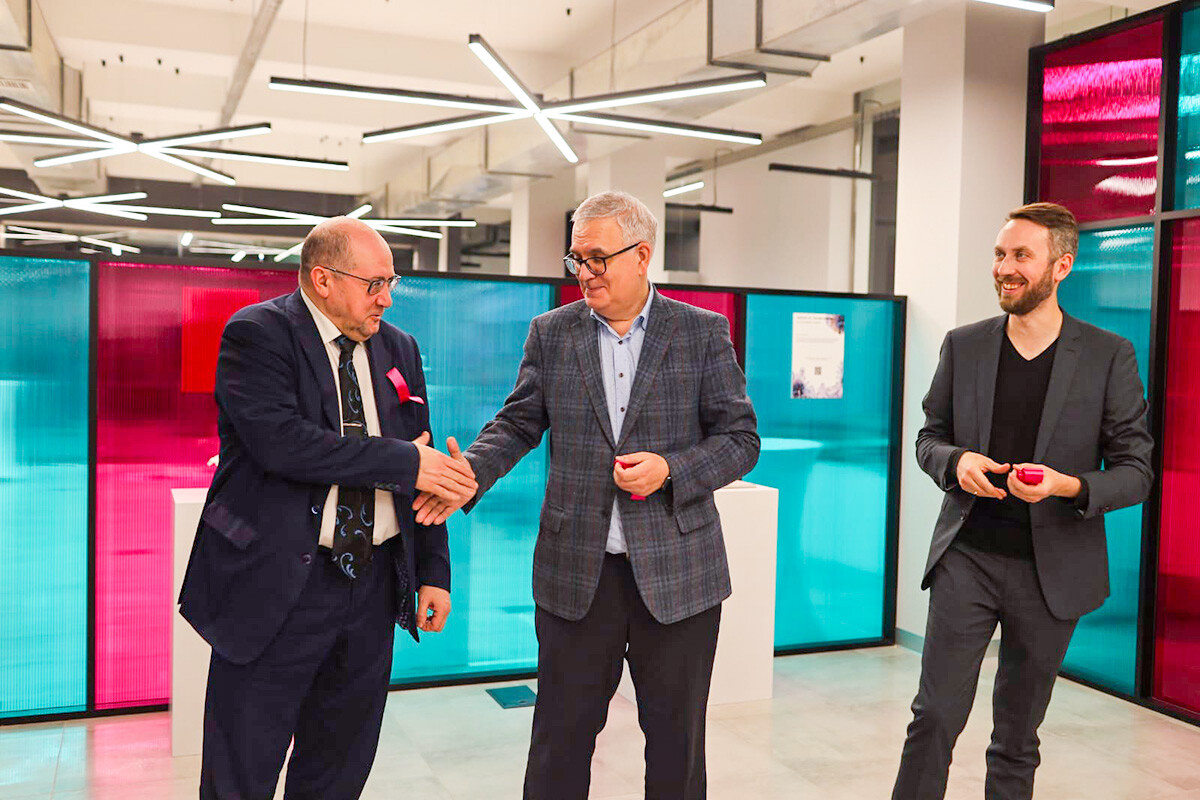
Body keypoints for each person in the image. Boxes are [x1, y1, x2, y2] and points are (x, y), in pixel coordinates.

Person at [414, 190, 759, 799]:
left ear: (642, 255)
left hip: (680, 577)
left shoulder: (702, 333)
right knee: (559, 743)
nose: (585, 273)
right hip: (577, 575)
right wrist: (469, 472)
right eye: (577, 260)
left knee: (677, 746)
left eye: (597, 258)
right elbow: (518, 423)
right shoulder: (553, 333)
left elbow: (740, 439)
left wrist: (672, 470)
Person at [178, 217, 477, 800]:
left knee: (339, 763)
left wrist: (434, 572)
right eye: (375, 284)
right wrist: (402, 461)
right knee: (242, 765)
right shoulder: (259, 335)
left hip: (372, 587)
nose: (387, 299)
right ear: (322, 279)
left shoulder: (400, 348)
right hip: (277, 585)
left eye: (391, 282)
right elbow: (284, 443)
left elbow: (425, 461)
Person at [892, 202, 1153, 799]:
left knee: (1016, 734)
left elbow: (1137, 471)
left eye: (1020, 257)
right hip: (969, 557)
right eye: (999, 255)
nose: (1004, 269)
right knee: (933, 717)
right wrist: (957, 462)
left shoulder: (1109, 356)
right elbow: (929, 437)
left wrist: (1068, 486)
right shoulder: (965, 346)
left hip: (1052, 570)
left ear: (1061, 266)